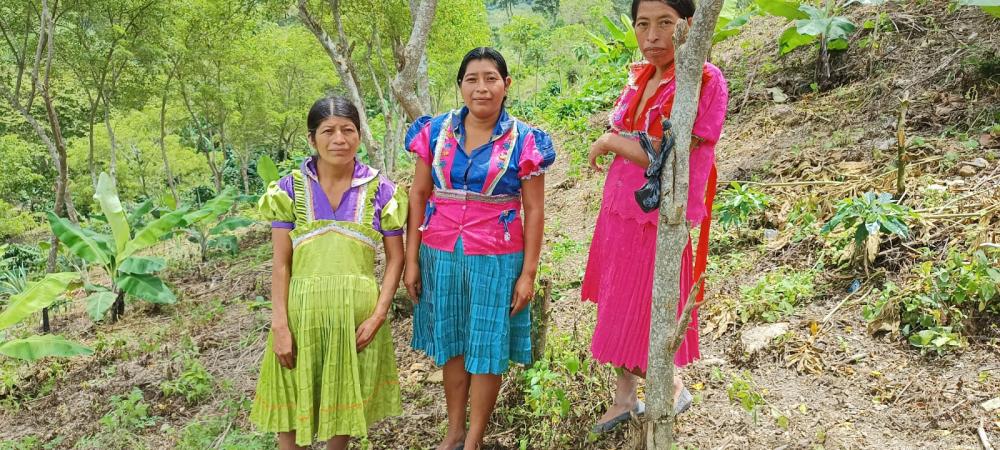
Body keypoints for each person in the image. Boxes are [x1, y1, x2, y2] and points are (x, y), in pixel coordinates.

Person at [581, 0, 729, 433]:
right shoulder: (644, 74)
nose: (652, 36)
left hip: (658, 214)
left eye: (666, 23)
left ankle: (672, 385)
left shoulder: (702, 79)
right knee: (616, 300)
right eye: (643, 24)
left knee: (645, 303)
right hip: (618, 212)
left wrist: (611, 141)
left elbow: (674, 153)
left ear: (690, 25)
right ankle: (625, 397)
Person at [404, 47, 556, 450]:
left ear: (506, 85)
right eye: (472, 79)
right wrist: (411, 259)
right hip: (441, 254)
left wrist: (528, 273)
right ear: (460, 86)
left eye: (491, 78)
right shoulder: (435, 132)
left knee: (487, 347)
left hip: (498, 258)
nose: (481, 87)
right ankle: (453, 433)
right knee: (453, 344)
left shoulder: (525, 140)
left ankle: (473, 441)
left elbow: (535, 209)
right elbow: (419, 193)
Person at [250, 96, 407, 449]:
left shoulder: (382, 190)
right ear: (311, 138)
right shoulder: (289, 190)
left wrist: (379, 315)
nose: (340, 139)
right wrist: (279, 325)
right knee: (291, 409)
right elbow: (281, 262)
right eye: (329, 131)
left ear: (360, 134)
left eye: (348, 130)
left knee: (342, 410)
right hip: (299, 316)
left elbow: (396, 259)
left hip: (356, 322)